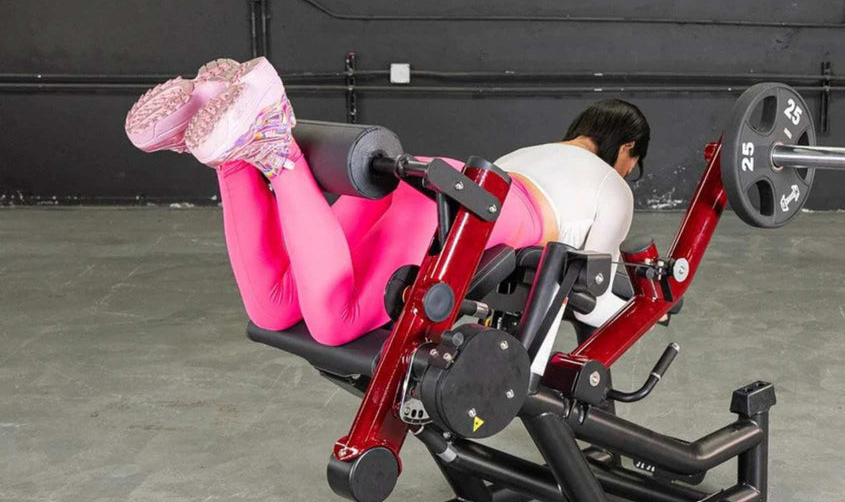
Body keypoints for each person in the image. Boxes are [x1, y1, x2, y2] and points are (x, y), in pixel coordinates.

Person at [125, 58, 649, 346]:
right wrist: (653, 307)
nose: (631, 174)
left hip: (420, 178)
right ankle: (273, 135)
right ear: (626, 149)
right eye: (634, 162)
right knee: (334, 322)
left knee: (275, 308)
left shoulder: (533, 152)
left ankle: (228, 148)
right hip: (451, 204)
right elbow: (595, 297)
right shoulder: (612, 186)